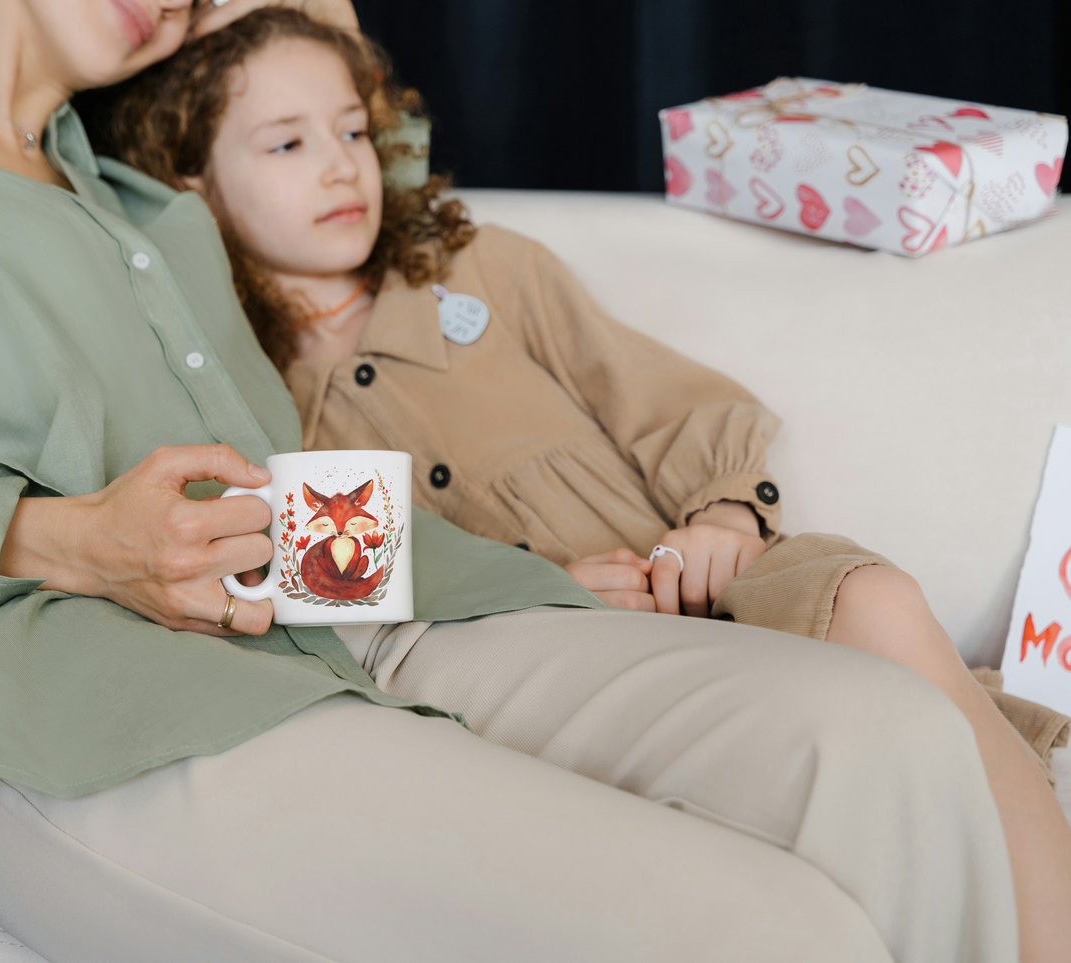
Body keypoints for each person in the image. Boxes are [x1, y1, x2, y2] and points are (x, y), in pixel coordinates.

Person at [0, 1, 1042, 961]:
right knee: (764, 929)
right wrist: (53, 534)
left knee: (887, 738)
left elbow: (347, 131)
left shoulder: (149, 213)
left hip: (352, 626)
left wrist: (539, 584)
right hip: (98, 707)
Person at [99, 8, 1071, 959]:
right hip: (549, 659)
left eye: (351, 128)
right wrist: (543, 583)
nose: (339, 163)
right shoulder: (238, 388)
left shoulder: (477, 268)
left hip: (702, 586)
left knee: (875, 599)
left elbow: (668, 405)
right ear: (189, 186)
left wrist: (723, 515)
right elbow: (325, 576)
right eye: (285, 144)